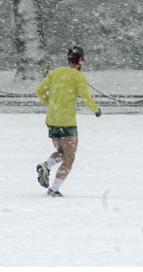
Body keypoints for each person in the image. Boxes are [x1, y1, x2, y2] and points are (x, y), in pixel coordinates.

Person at [36, 46, 102, 197]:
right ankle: (54, 189)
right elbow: (86, 98)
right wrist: (96, 109)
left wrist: (50, 104)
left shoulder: (55, 73)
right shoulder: (78, 77)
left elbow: (39, 91)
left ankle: (46, 166)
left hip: (52, 120)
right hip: (67, 122)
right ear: (81, 62)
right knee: (69, 157)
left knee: (61, 152)